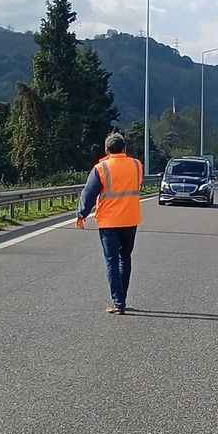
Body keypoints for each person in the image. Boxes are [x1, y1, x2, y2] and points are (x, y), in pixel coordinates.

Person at [76, 132, 143, 315]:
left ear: (106, 149)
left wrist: (81, 214)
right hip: (130, 219)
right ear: (125, 148)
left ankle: (118, 302)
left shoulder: (101, 168)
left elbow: (88, 194)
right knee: (125, 258)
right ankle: (122, 300)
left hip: (109, 222)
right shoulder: (137, 165)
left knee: (112, 261)